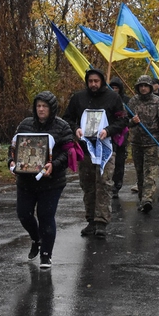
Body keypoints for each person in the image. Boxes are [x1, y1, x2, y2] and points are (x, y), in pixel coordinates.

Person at [62, 68, 129, 239]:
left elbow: (122, 120)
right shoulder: (78, 98)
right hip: (85, 149)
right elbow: (67, 118)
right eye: (90, 81)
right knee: (88, 185)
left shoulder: (113, 98)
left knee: (104, 184)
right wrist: (75, 128)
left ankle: (101, 222)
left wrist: (108, 130)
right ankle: (91, 220)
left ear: (101, 82)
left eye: (96, 81)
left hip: (106, 148)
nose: (93, 84)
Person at [10, 91, 73, 270]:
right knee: (24, 214)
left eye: (44, 106)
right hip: (26, 180)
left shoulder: (62, 127)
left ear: (51, 108)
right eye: (38, 106)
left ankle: (46, 255)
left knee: (46, 216)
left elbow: (70, 152)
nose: (41, 109)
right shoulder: (25, 124)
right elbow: (14, 147)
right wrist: (12, 161)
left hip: (51, 182)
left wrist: (54, 165)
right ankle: (36, 238)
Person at [128, 75, 159, 213]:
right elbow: (124, 121)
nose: (143, 88)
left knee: (150, 172)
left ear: (150, 87)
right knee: (140, 172)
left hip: (152, 142)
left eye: (146, 85)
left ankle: (147, 199)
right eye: (141, 86)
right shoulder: (133, 101)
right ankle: (142, 198)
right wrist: (132, 122)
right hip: (136, 142)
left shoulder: (158, 101)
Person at [107, 76, 130, 198]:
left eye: (116, 87)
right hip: (109, 134)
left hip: (122, 135)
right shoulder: (106, 99)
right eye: (112, 87)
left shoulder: (126, 100)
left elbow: (130, 118)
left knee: (119, 161)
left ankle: (117, 183)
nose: (114, 90)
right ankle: (108, 183)